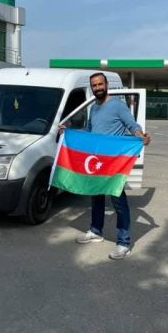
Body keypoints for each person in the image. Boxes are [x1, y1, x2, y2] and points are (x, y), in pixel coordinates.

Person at [71, 72, 151, 260]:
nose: (97, 87)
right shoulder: (94, 108)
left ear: (106, 84)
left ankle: (124, 243)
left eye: (100, 84)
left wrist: (141, 136)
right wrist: (70, 133)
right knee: (96, 196)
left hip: (113, 162)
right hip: (97, 161)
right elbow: (91, 131)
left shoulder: (117, 105)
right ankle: (96, 231)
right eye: (94, 85)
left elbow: (132, 125)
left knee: (118, 201)